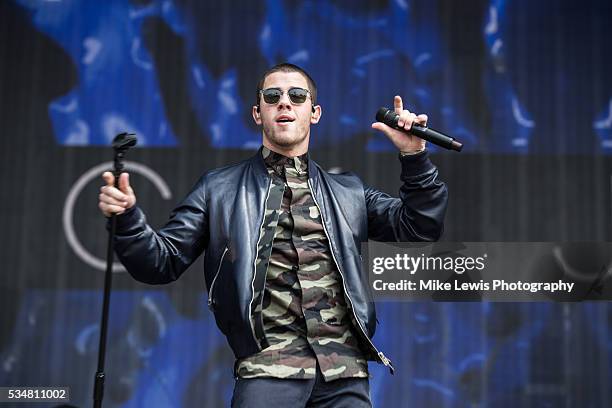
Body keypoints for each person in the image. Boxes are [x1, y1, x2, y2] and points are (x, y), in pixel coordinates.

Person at [98, 63, 448, 407]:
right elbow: (161, 262)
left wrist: (414, 155)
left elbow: (419, 226)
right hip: (267, 370)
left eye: (297, 96)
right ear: (257, 113)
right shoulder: (219, 189)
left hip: (345, 375)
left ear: (314, 113)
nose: (285, 103)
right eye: (273, 96)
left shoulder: (347, 192)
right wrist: (127, 219)